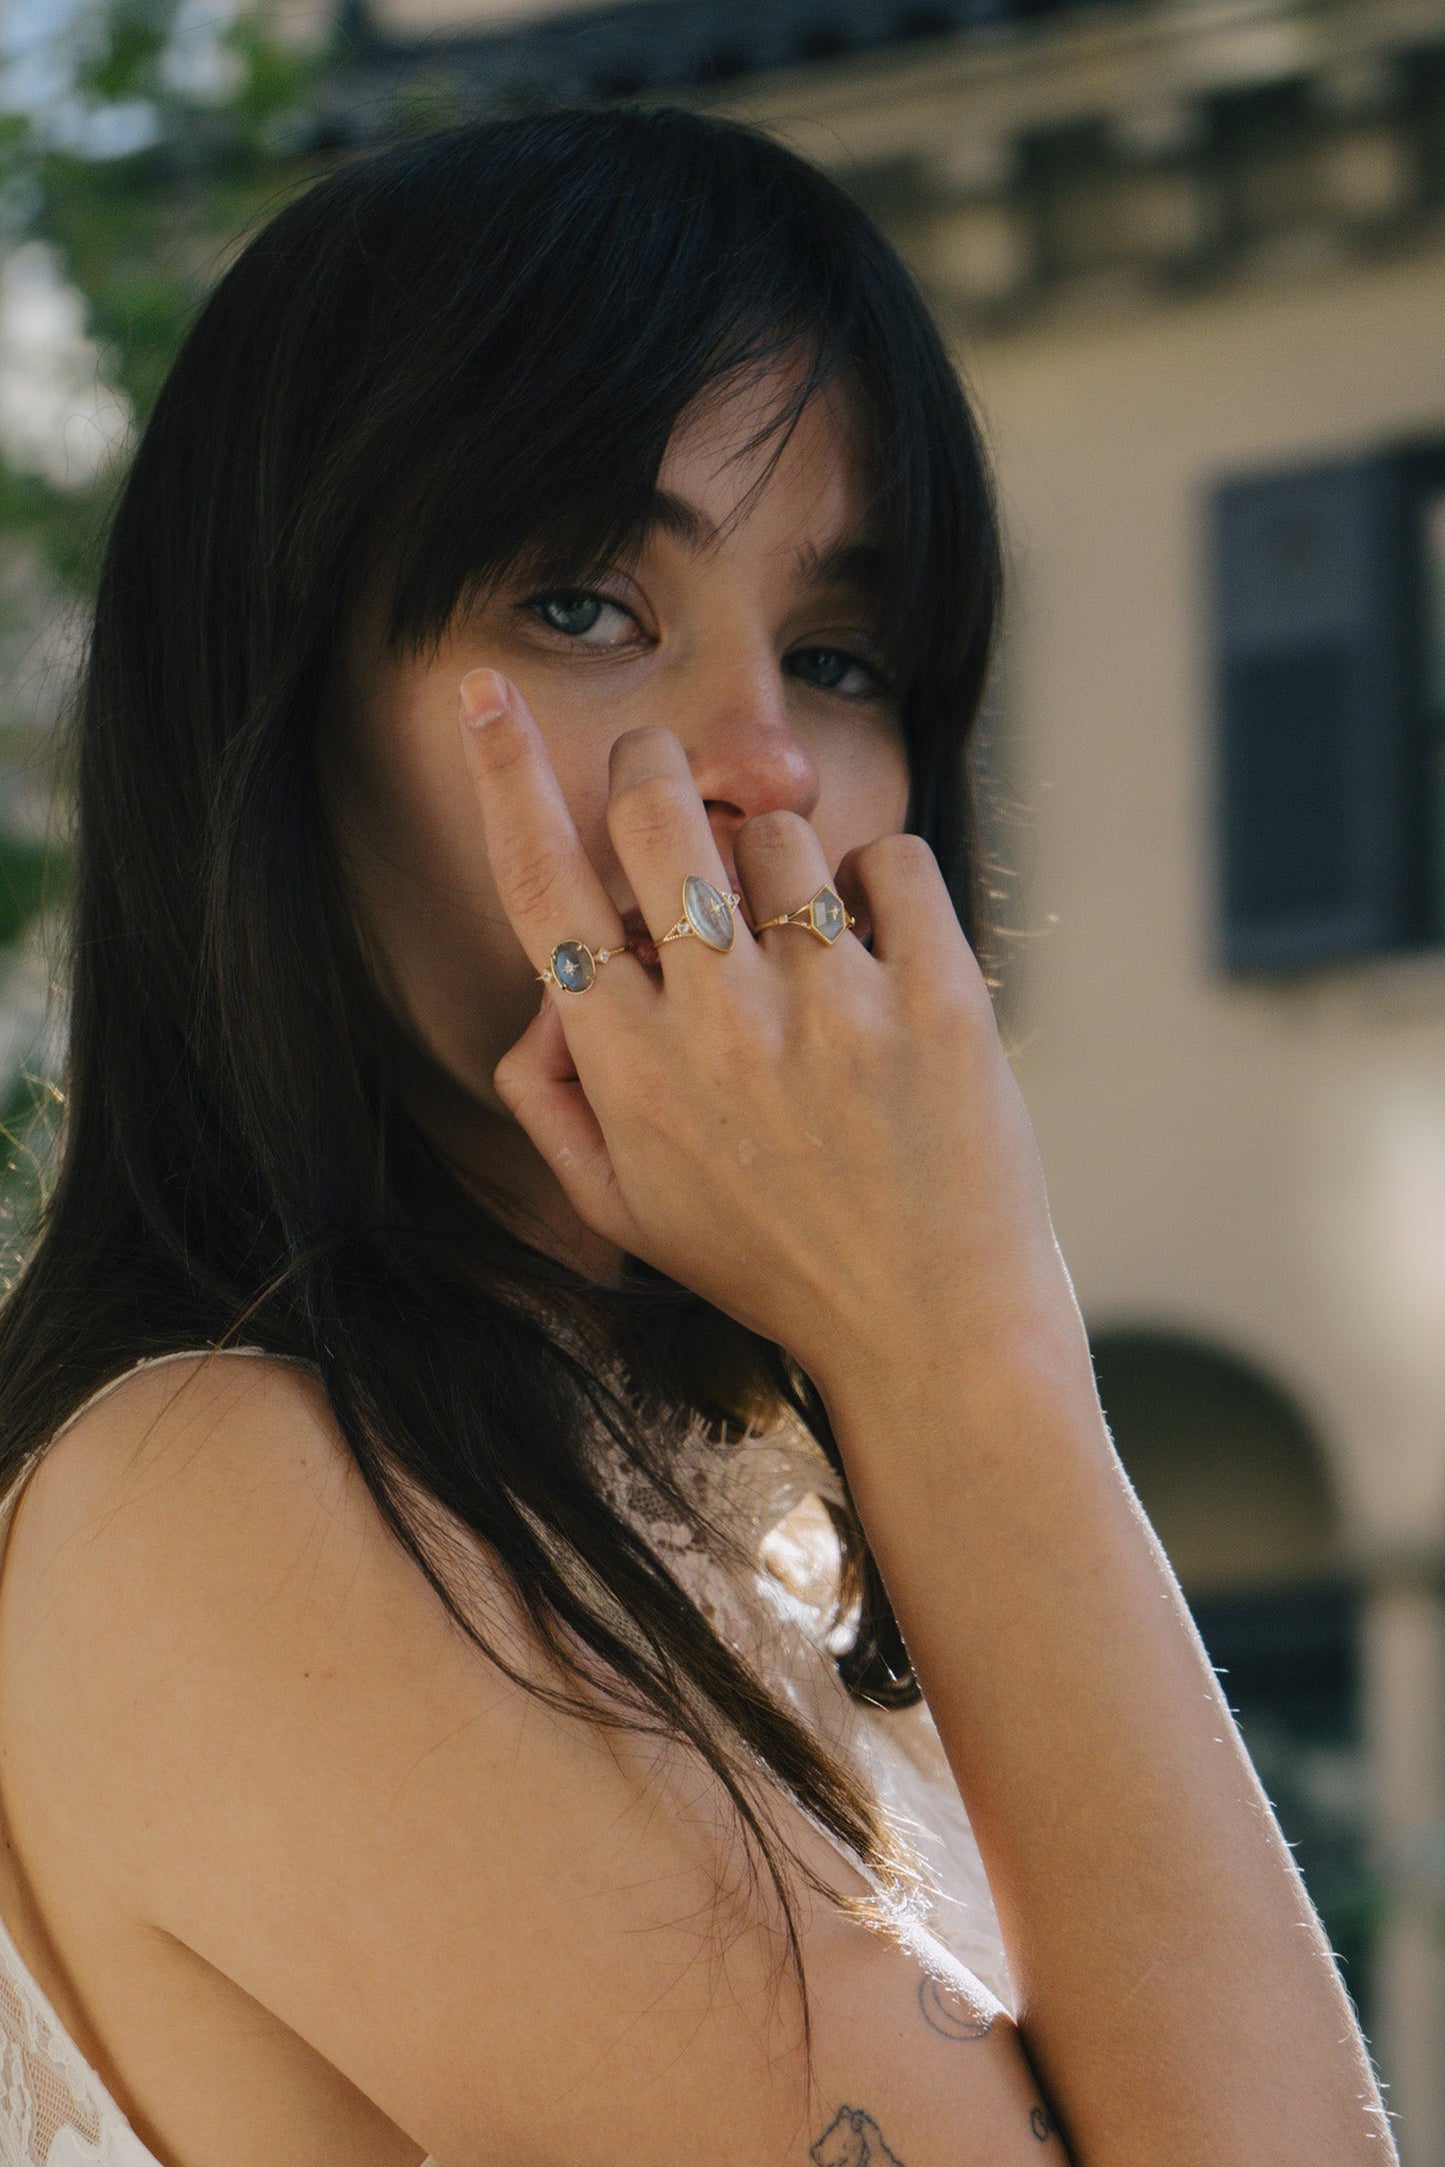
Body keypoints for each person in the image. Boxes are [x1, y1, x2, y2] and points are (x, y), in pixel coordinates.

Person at [0, 106, 1390, 2167]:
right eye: (580, 604)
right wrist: (970, 1347)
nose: (757, 763)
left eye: (841, 657)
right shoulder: (217, 1498)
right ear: (279, 721)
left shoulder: (776, 1511)